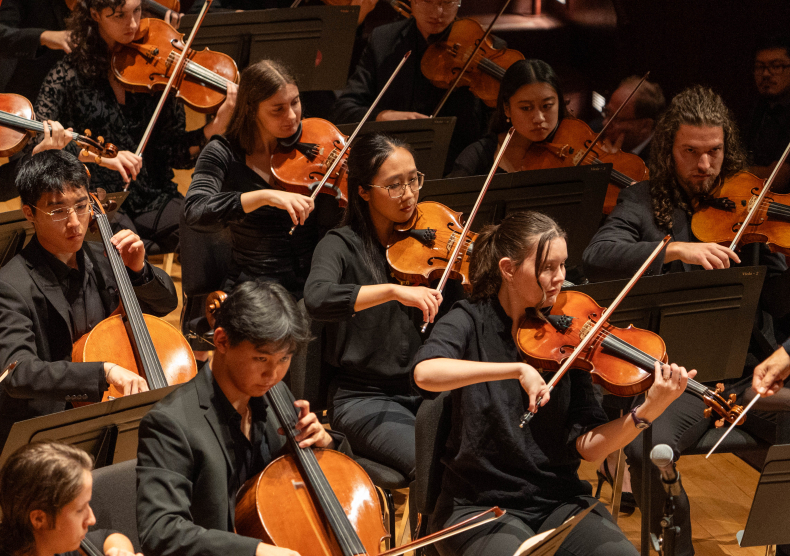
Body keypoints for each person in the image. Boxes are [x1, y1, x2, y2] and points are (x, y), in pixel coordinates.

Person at [582, 85, 790, 556]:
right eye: (690, 153)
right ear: (668, 149)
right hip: (677, 378)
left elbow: (777, 301)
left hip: (749, 371)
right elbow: (596, 254)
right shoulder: (642, 200)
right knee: (643, 451)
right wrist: (672, 248)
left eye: (714, 152)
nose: (703, 166)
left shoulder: (748, 204)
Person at [411, 211, 692, 556]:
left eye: (562, 266)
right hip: (479, 504)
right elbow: (425, 373)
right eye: (547, 267)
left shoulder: (569, 338)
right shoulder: (469, 320)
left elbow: (588, 447)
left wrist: (649, 410)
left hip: (558, 501)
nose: (560, 278)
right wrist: (513, 369)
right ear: (508, 269)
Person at [136, 280, 350, 556]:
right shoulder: (170, 423)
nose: (273, 375)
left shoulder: (277, 396)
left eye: (285, 359)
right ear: (222, 340)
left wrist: (324, 443)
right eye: (261, 359)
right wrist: (255, 552)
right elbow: (160, 530)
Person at [0, 150, 178, 449]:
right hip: (48, 433)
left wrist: (139, 271)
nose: (75, 223)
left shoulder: (106, 259)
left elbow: (165, 305)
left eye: (81, 206)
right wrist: (103, 371)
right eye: (58, 211)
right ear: (29, 213)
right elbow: (18, 373)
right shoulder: (10, 284)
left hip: (114, 414)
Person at [31, 0, 237, 254]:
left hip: (153, 195)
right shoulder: (66, 75)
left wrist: (216, 126)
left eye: (137, 11)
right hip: (99, 199)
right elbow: (40, 143)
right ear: (95, 14)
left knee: (210, 237)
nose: (132, 24)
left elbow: (174, 153)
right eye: (119, 16)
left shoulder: (159, 70)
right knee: (123, 251)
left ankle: (208, 296)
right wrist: (100, 159)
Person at [303, 132, 444, 481]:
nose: (409, 194)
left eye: (413, 180)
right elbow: (317, 298)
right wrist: (393, 291)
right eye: (394, 186)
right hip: (362, 398)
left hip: (426, 393)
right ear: (363, 191)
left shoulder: (430, 244)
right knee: (437, 469)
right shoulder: (338, 245)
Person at [184, 60, 318, 298]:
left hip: (315, 279)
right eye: (278, 109)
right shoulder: (223, 152)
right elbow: (195, 211)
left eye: (295, 102)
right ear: (250, 109)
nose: (292, 116)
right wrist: (264, 196)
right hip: (257, 285)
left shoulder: (314, 144)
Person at [332, 0, 495, 173]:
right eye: (427, 1)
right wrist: (383, 116)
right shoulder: (383, 41)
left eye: (447, 2)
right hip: (388, 166)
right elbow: (343, 110)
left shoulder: (483, 48)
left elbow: (492, 127)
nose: (437, 12)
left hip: (457, 168)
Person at [0, 440, 141, 556]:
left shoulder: (53, 544)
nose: (92, 519)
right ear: (39, 519)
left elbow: (108, 536)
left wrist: (118, 551)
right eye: (80, 510)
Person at [448, 59, 568, 178]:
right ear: (507, 108)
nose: (538, 118)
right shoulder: (478, 156)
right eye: (526, 108)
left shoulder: (572, 146)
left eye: (547, 106)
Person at [745, 34, 790, 193]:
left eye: (776, 66)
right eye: (759, 67)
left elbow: (778, 178)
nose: (765, 74)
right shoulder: (755, 109)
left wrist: (739, 172)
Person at [600, 75, 665, 163]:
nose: (605, 123)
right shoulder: (595, 128)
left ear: (645, 126)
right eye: (607, 112)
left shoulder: (657, 163)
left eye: (616, 119)